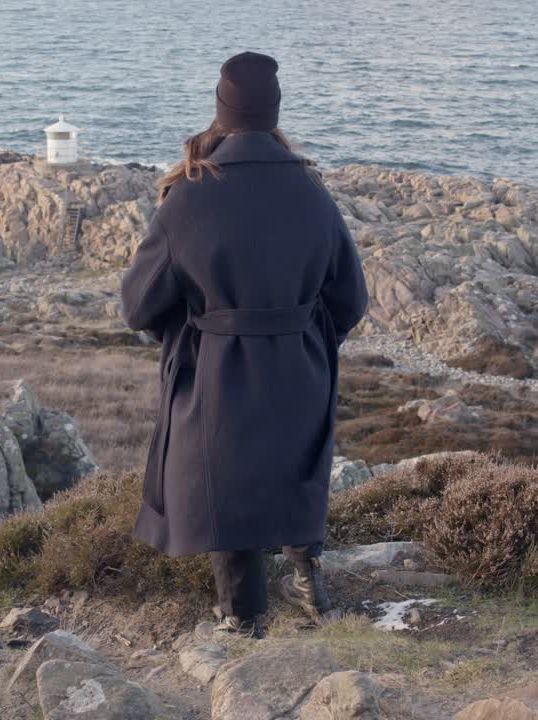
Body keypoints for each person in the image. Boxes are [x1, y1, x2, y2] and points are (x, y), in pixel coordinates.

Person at [120, 51, 369, 638]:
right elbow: (351, 300)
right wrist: (299, 336)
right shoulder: (312, 191)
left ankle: (243, 620)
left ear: (222, 110)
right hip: (300, 370)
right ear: (274, 111)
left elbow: (137, 305)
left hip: (219, 371)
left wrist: (193, 329)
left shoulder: (189, 196)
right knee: (292, 464)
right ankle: (310, 580)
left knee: (226, 481)